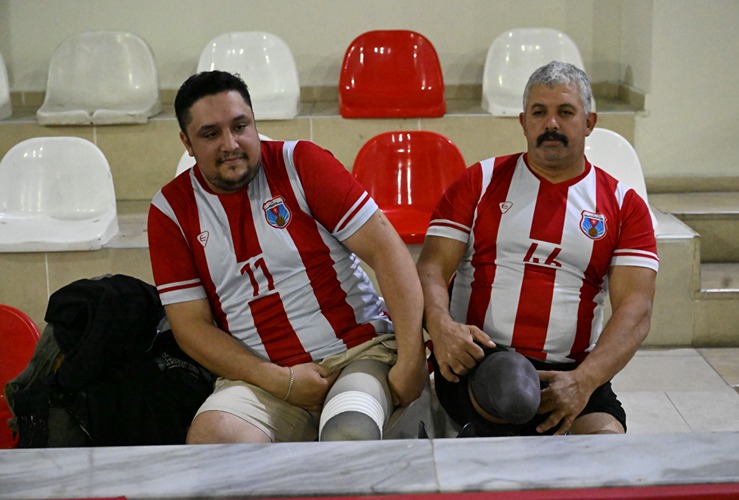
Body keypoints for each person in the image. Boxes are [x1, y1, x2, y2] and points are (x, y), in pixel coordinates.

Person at [147, 70, 427, 444]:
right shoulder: (170, 211)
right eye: (211, 134)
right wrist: (280, 381)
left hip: (356, 354)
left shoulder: (301, 163)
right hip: (261, 378)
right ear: (187, 142)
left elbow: (387, 251)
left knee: (348, 435)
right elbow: (191, 328)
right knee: (211, 442)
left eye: (240, 126)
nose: (230, 144)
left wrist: (411, 358)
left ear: (254, 122)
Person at [416, 61, 659, 436]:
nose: (551, 124)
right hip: (482, 359)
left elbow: (636, 309)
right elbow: (430, 267)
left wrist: (584, 380)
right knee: (515, 390)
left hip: (571, 371)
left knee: (608, 440)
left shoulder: (624, 206)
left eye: (566, 112)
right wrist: (442, 327)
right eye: (539, 112)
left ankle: (492, 441)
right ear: (523, 122)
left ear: (589, 122)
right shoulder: (480, 182)